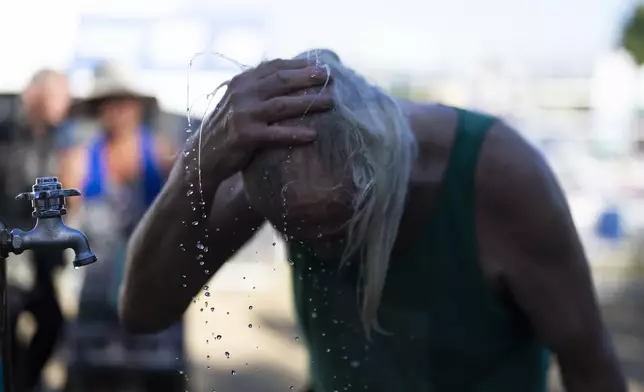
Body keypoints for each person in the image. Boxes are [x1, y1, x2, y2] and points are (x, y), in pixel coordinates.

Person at [119, 50, 627, 391]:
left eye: (340, 224)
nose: (324, 250)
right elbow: (142, 312)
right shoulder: (277, 164)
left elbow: (590, 363)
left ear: (383, 174)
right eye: (297, 232)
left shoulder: (498, 179)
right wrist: (196, 167)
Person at [58, 60, 182, 392]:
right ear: (98, 109)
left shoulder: (162, 154)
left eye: (124, 102)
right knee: (93, 380)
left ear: (138, 106)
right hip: (96, 292)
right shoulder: (80, 160)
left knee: (158, 380)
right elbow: (69, 224)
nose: (118, 111)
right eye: (109, 103)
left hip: (152, 287)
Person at [0, 69, 71, 392]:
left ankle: (25, 383)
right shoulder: (8, 132)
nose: (66, 103)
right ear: (37, 96)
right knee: (9, 318)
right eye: (59, 95)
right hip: (10, 248)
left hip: (38, 254)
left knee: (52, 321)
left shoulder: (55, 139)